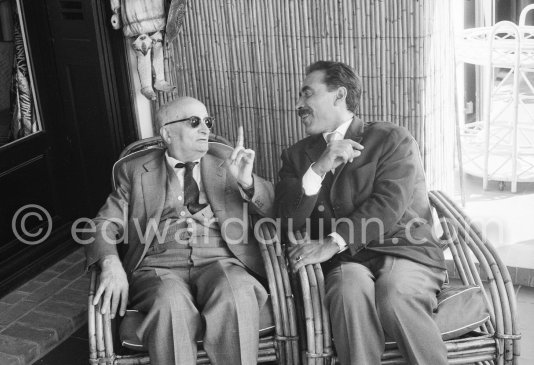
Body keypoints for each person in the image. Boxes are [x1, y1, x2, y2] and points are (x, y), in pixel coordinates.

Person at [275, 61, 447, 365]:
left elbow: (388, 204)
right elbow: (288, 219)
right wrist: (318, 168)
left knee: (395, 296)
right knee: (347, 293)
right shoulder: (297, 156)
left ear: (339, 95)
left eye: (307, 94)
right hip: (345, 262)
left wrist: (331, 242)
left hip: (403, 249)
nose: (299, 104)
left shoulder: (391, 138)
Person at [84, 96, 274, 365]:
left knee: (237, 292)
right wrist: (110, 261)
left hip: (222, 261)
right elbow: (102, 224)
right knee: (170, 304)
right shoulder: (135, 170)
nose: (206, 129)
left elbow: (274, 210)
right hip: (158, 268)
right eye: (194, 122)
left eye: (207, 121)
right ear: (167, 133)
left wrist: (247, 181)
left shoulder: (226, 160)